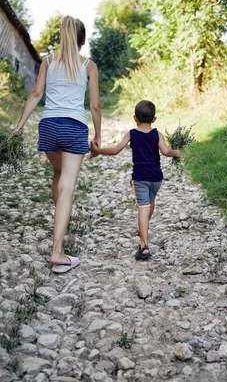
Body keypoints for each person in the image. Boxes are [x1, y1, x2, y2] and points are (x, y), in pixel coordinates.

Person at [11, 16, 101, 273]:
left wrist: (18, 128)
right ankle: (57, 252)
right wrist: (98, 135)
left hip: (48, 126)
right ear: (83, 41)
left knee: (59, 175)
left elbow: (36, 94)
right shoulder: (88, 66)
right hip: (74, 128)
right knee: (67, 188)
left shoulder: (48, 61)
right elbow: (94, 105)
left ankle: (60, 219)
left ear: (62, 38)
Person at [90, 100, 180, 260]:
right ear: (154, 119)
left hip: (140, 178)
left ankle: (144, 246)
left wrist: (98, 151)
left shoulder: (131, 134)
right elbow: (166, 152)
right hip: (156, 177)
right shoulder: (157, 134)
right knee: (151, 202)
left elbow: (115, 150)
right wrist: (177, 153)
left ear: (134, 118)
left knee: (142, 208)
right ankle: (144, 228)